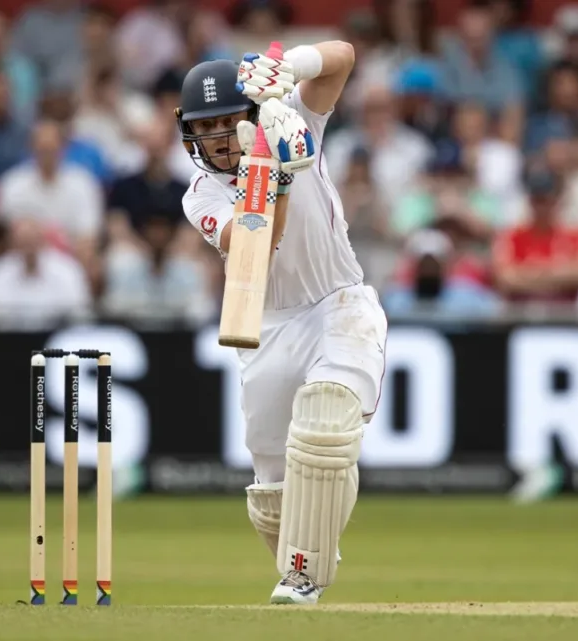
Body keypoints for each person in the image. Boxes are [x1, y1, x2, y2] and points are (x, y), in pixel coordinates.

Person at [176, 42, 388, 604]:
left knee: (326, 422)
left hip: (337, 303)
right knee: (274, 491)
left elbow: (343, 55)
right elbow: (256, 246)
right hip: (268, 327)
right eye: (206, 128)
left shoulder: (292, 115)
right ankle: (308, 552)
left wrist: (291, 65)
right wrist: (278, 178)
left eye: (228, 123)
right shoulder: (200, 195)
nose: (219, 138)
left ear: (249, 114)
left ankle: (303, 577)